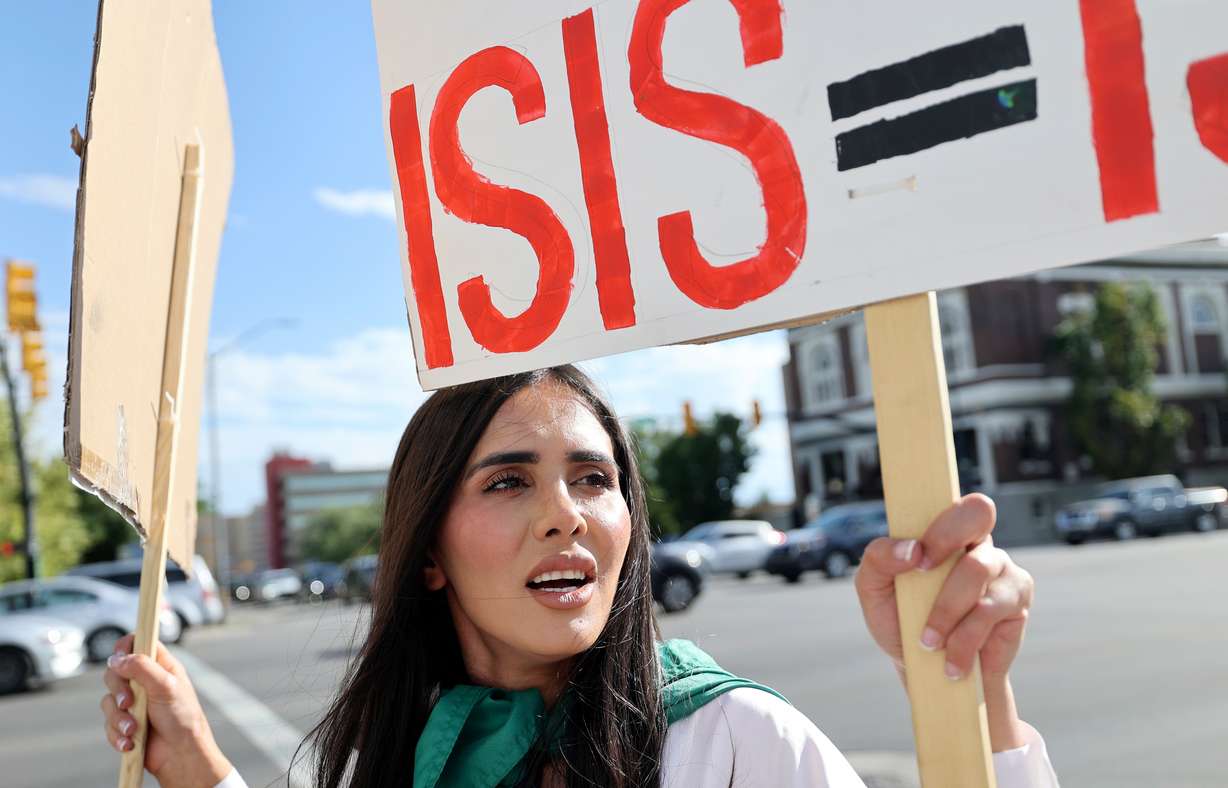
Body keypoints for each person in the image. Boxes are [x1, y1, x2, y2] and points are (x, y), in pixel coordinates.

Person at [99, 365, 1059, 787]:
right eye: (510, 480)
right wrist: (196, 768)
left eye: (594, 479)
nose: (565, 513)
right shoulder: (397, 760)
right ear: (428, 553)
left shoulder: (729, 738)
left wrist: (976, 702)